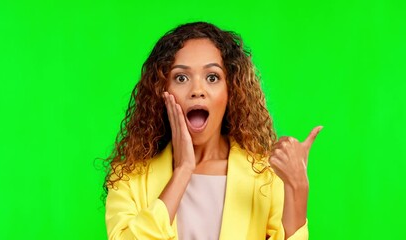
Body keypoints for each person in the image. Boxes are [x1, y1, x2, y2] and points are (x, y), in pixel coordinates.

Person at [104, 21, 322, 240]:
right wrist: (182, 171)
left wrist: (297, 188)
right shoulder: (128, 178)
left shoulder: (266, 177)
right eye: (181, 78)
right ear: (161, 91)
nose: (197, 90)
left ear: (231, 91)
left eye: (212, 77)